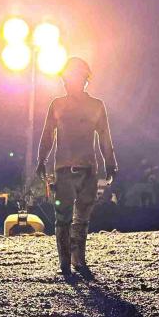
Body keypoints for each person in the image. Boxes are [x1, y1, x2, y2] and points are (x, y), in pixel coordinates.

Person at [36, 57, 117, 278]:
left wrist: (110, 163)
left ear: (83, 79)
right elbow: (47, 136)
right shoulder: (57, 105)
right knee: (63, 217)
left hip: (87, 170)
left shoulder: (96, 106)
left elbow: (104, 138)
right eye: (66, 78)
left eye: (71, 77)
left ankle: (77, 260)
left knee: (81, 218)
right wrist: (41, 159)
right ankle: (66, 262)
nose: (67, 82)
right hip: (65, 170)